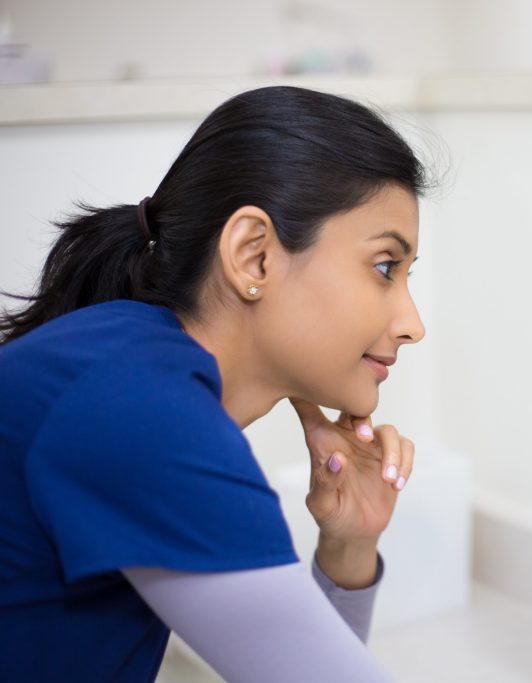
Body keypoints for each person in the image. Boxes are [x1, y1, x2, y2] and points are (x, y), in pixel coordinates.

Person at [0, 86, 428, 682]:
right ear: (253, 256)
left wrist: (352, 543)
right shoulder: (142, 413)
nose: (413, 325)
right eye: (385, 267)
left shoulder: (125, 364)